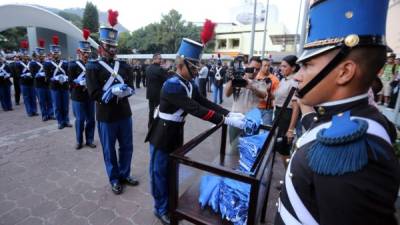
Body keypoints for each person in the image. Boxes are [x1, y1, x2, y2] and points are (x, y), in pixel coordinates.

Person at [275, 1, 400, 224]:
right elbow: (320, 125)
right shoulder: (349, 117)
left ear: (344, 72)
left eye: (308, 65)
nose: (297, 75)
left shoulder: (351, 148)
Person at [145, 36, 246, 225]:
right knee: (159, 173)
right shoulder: (172, 85)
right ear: (181, 64)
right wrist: (224, 120)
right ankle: (160, 208)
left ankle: (170, 203)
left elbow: (204, 102)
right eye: (193, 66)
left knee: (171, 171)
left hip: (175, 132)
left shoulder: (188, 83)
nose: (196, 70)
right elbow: (196, 109)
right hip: (162, 135)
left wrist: (229, 113)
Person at [86, 9, 138, 195]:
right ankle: (114, 178)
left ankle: (124, 174)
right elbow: (93, 93)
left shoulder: (123, 66)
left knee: (127, 147)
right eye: (110, 46)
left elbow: (131, 87)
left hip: (124, 113)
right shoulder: (92, 67)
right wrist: (109, 93)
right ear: (101, 47)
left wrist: (126, 91)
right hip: (106, 116)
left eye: (115, 46)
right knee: (109, 150)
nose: (113, 50)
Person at [225, 56, 267, 153]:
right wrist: (233, 80)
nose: (254, 71)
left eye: (257, 69)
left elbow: (263, 95)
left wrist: (251, 86)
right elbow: (227, 94)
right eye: (252, 68)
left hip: (251, 122)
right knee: (233, 149)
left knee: (248, 150)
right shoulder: (237, 79)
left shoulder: (261, 82)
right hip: (235, 120)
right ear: (247, 66)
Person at [68, 29, 96, 150]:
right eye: (84, 52)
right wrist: (79, 83)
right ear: (79, 52)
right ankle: (79, 141)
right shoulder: (73, 65)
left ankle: (89, 139)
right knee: (80, 120)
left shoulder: (92, 65)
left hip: (89, 96)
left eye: (87, 52)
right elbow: (70, 82)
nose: (86, 55)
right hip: (78, 96)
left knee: (91, 120)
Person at [273, 55, 300, 167]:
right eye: (281, 66)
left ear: (293, 68)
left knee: (284, 150)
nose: (281, 68)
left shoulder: (294, 82)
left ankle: (288, 178)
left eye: (284, 66)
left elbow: (296, 108)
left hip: (287, 116)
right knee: (279, 147)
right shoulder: (284, 79)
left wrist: (290, 129)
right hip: (279, 114)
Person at [44, 35, 71, 129]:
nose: (56, 54)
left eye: (57, 53)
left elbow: (68, 74)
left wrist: (66, 77)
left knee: (65, 105)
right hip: (55, 87)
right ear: (51, 54)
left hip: (64, 86)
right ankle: (60, 122)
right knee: (57, 105)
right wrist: (54, 78)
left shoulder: (64, 63)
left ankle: (66, 120)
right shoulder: (47, 64)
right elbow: (47, 77)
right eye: (54, 53)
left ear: (59, 53)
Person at [30, 38, 54, 121]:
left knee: (50, 100)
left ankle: (51, 114)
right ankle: (44, 115)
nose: (41, 57)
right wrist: (40, 74)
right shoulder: (33, 64)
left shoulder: (47, 63)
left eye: (42, 55)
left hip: (47, 84)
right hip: (39, 85)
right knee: (42, 101)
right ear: (37, 56)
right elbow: (33, 75)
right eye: (40, 56)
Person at [145, 53, 169, 128]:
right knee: (158, 110)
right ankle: (155, 126)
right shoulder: (160, 69)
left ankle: (150, 125)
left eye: (161, 58)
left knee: (151, 110)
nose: (161, 60)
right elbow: (166, 80)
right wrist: (166, 70)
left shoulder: (148, 68)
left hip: (150, 93)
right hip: (158, 93)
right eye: (159, 58)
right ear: (154, 59)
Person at [17, 40, 38, 117]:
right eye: (24, 55)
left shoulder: (31, 63)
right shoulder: (18, 64)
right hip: (24, 82)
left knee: (33, 97)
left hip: (31, 82)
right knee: (26, 98)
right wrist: (24, 75)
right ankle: (29, 111)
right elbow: (17, 74)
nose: (26, 56)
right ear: (22, 56)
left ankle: (34, 111)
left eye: (26, 55)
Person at [256, 58, 279, 126]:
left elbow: (276, 96)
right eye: (265, 65)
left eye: (268, 66)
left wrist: (268, 91)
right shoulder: (255, 77)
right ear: (261, 66)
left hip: (267, 110)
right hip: (254, 108)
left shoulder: (275, 79)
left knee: (265, 131)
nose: (267, 67)